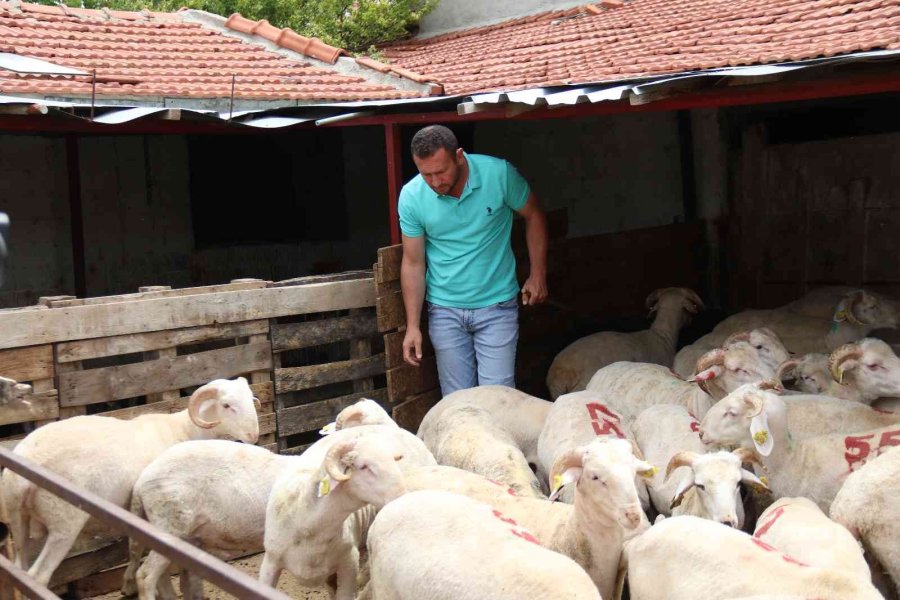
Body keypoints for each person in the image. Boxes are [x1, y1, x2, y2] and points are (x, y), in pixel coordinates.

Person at [399, 125, 548, 396]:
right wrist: (412, 326)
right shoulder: (411, 196)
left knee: (497, 398)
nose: (435, 182)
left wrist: (538, 274)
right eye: (426, 174)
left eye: (441, 172)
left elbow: (534, 214)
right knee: (458, 403)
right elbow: (413, 263)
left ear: (458, 156)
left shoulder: (499, 174)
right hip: (444, 311)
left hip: (497, 307)